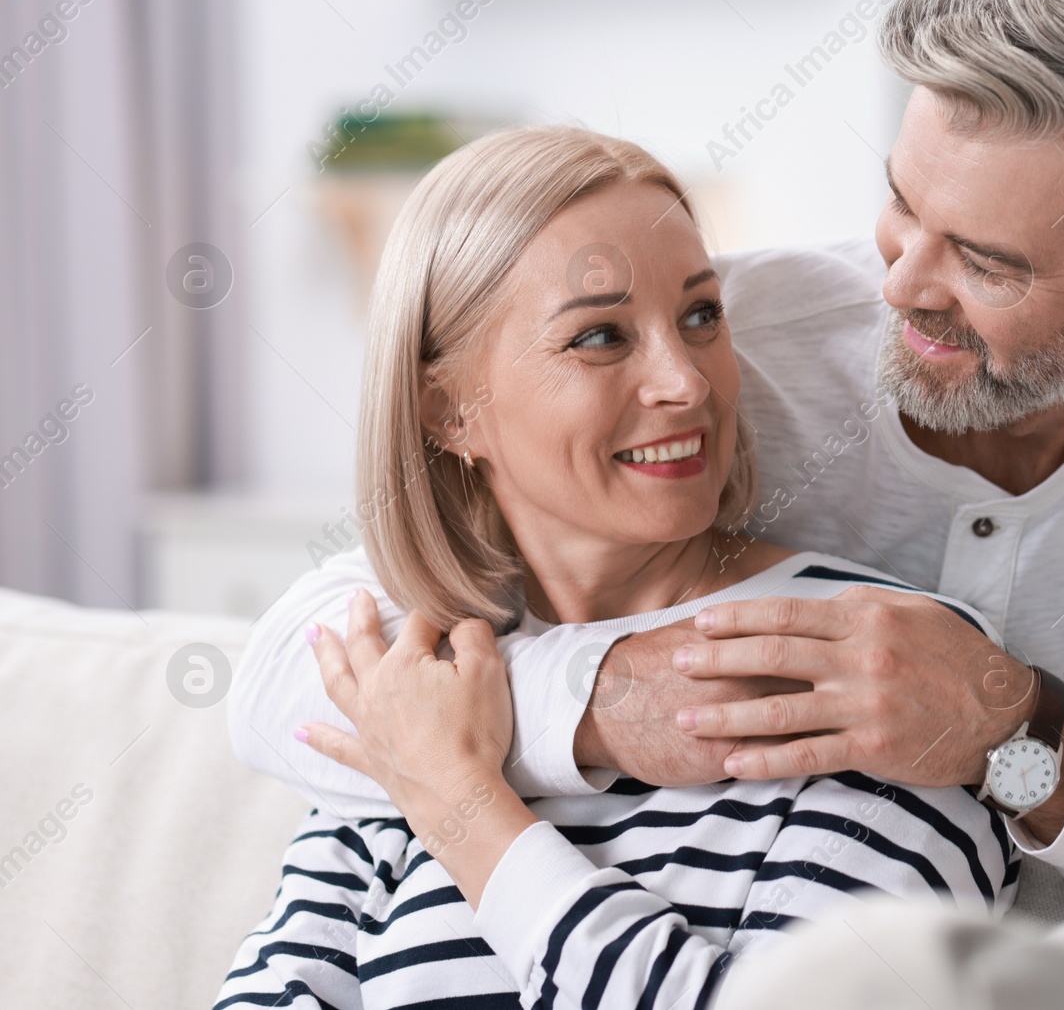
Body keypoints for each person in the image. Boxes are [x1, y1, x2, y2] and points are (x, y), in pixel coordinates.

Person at [235, 0, 1064, 915]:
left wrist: (1006, 736)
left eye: (983, 261)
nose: (903, 285)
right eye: (903, 206)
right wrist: (605, 705)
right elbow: (297, 675)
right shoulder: (732, 342)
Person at [213, 127, 1014, 1010]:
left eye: (701, 315)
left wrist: (464, 805)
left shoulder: (877, 665)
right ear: (450, 412)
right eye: (600, 336)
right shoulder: (424, 682)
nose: (687, 382)